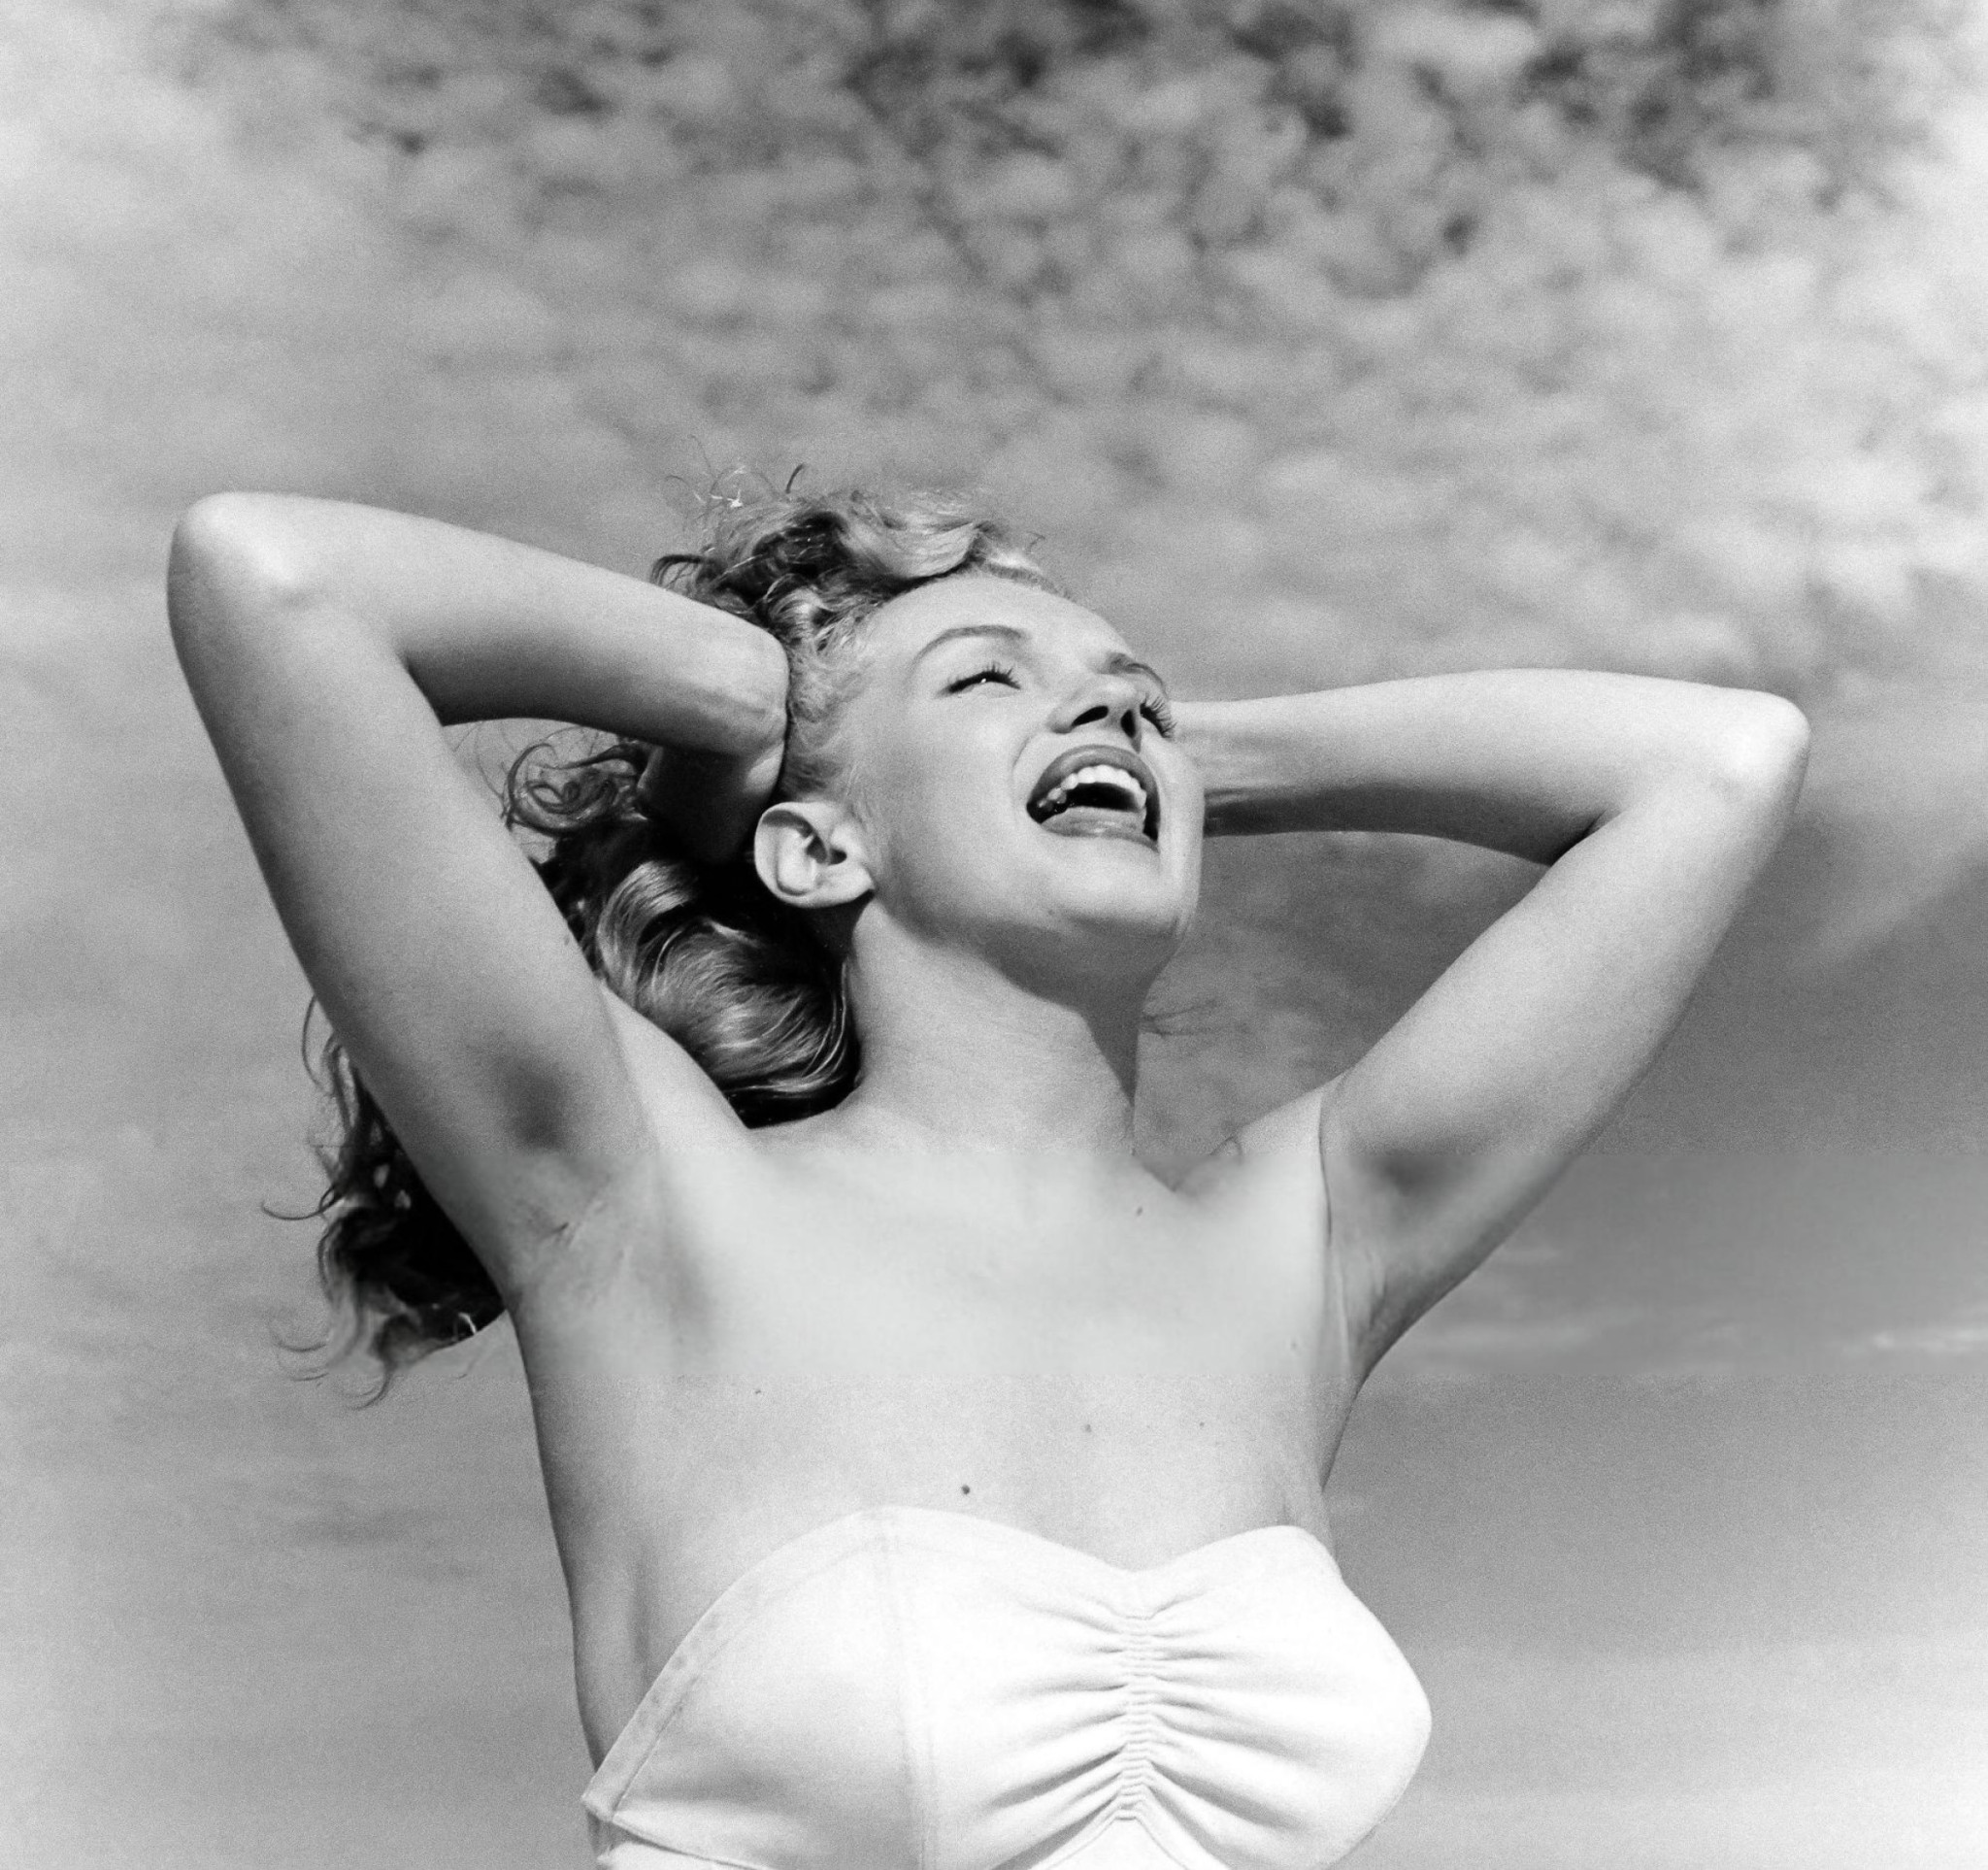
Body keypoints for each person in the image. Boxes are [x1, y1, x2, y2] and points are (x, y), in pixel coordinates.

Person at [168, 483, 1809, 1869]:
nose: (1109, 714)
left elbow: (1719, 766)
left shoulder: (1294, 1249)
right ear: (818, 846)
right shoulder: (640, 1196)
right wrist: (753, 697)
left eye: (1135, 697)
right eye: (985, 681)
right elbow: (277, 584)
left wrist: (1171, 750)